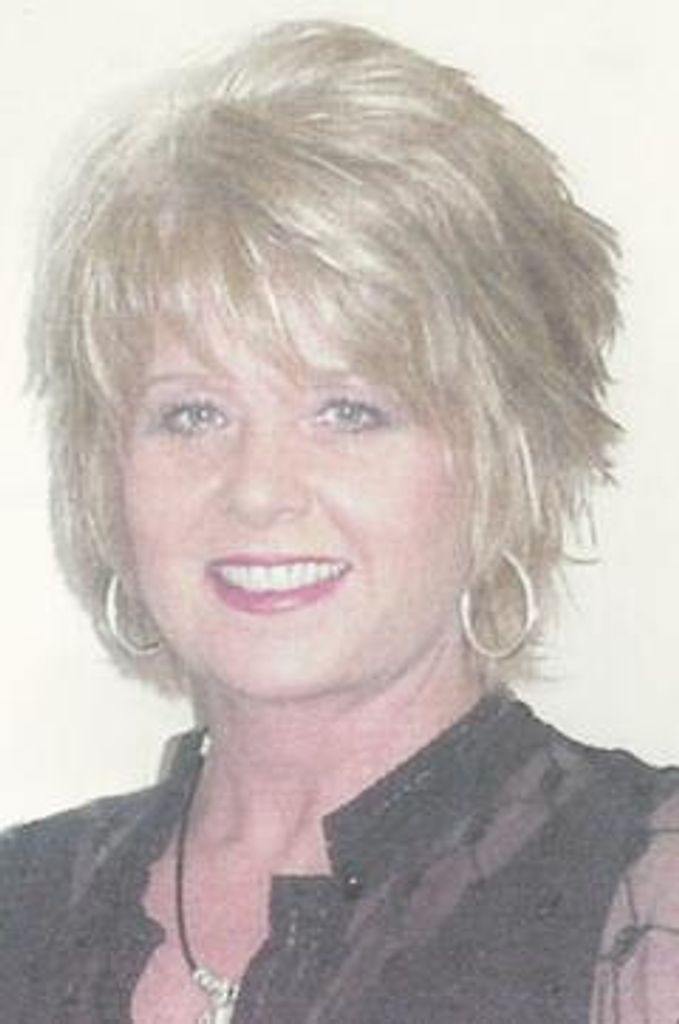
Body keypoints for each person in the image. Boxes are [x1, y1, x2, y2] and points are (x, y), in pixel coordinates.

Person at [1, 18, 677, 1023]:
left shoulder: (643, 894)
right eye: (192, 413)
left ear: (508, 455)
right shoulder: (20, 902)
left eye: (349, 411)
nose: (257, 489)